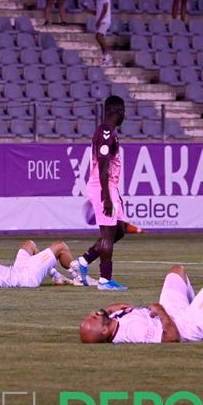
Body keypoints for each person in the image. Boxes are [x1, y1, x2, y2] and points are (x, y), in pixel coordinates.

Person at [79, 265, 203, 343]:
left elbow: (120, 308)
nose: (92, 314)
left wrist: (110, 310)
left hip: (172, 314)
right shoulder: (132, 331)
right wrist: (162, 312)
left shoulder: (112, 320)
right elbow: (171, 338)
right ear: (104, 332)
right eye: (93, 319)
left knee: (176, 271)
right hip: (185, 326)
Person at [71, 95, 128, 291]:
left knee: (119, 230)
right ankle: (105, 280)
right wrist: (106, 195)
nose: (125, 116)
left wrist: (114, 193)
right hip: (102, 187)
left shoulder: (109, 132)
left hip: (110, 187)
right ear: (118, 112)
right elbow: (103, 166)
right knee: (107, 234)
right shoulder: (105, 132)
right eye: (124, 112)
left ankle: (84, 262)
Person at [85, 0, 112, 66]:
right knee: (98, 37)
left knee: (99, 36)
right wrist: (90, 11)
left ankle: (108, 57)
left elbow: (105, 9)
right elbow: (98, 12)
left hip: (104, 21)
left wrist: (99, 21)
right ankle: (105, 57)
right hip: (101, 21)